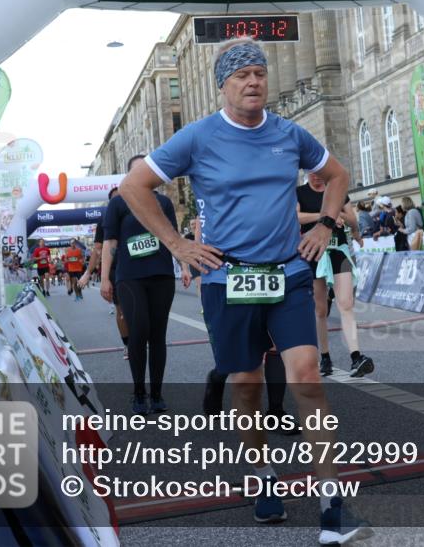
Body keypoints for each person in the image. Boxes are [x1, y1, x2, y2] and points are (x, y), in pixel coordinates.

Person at [120, 36, 370, 543]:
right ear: (223, 86)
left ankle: (332, 503)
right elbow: (133, 187)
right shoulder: (197, 138)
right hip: (227, 277)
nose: (253, 81)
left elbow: (337, 175)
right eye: (241, 75)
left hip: (288, 273)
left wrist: (324, 225)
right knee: (248, 384)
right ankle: (261, 477)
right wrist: (176, 245)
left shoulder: (289, 134)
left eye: (259, 73)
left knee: (307, 375)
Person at [103, 155, 191, 415]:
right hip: (129, 277)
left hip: (161, 275)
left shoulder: (163, 202)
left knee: (158, 335)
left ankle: (157, 394)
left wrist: (184, 266)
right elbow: (110, 243)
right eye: (137, 170)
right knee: (139, 331)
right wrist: (105, 277)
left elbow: (174, 238)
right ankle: (139, 392)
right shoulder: (118, 204)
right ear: (129, 176)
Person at [296, 170, 372, 379]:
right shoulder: (299, 192)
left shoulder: (336, 190)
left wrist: (352, 228)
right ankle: (325, 356)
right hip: (313, 252)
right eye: (313, 174)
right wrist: (325, 217)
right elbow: (296, 217)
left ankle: (356, 357)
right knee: (320, 310)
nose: (317, 177)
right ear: (307, 174)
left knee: (346, 303)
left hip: (339, 250)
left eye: (321, 174)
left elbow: (352, 218)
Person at [80, 187, 129, 357]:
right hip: (116, 270)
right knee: (121, 310)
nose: (119, 202)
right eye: (116, 199)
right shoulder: (105, 220)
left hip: (136, 266)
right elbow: (97, 249)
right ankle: (128, 344)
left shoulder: (137, 211)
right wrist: (88, 273)